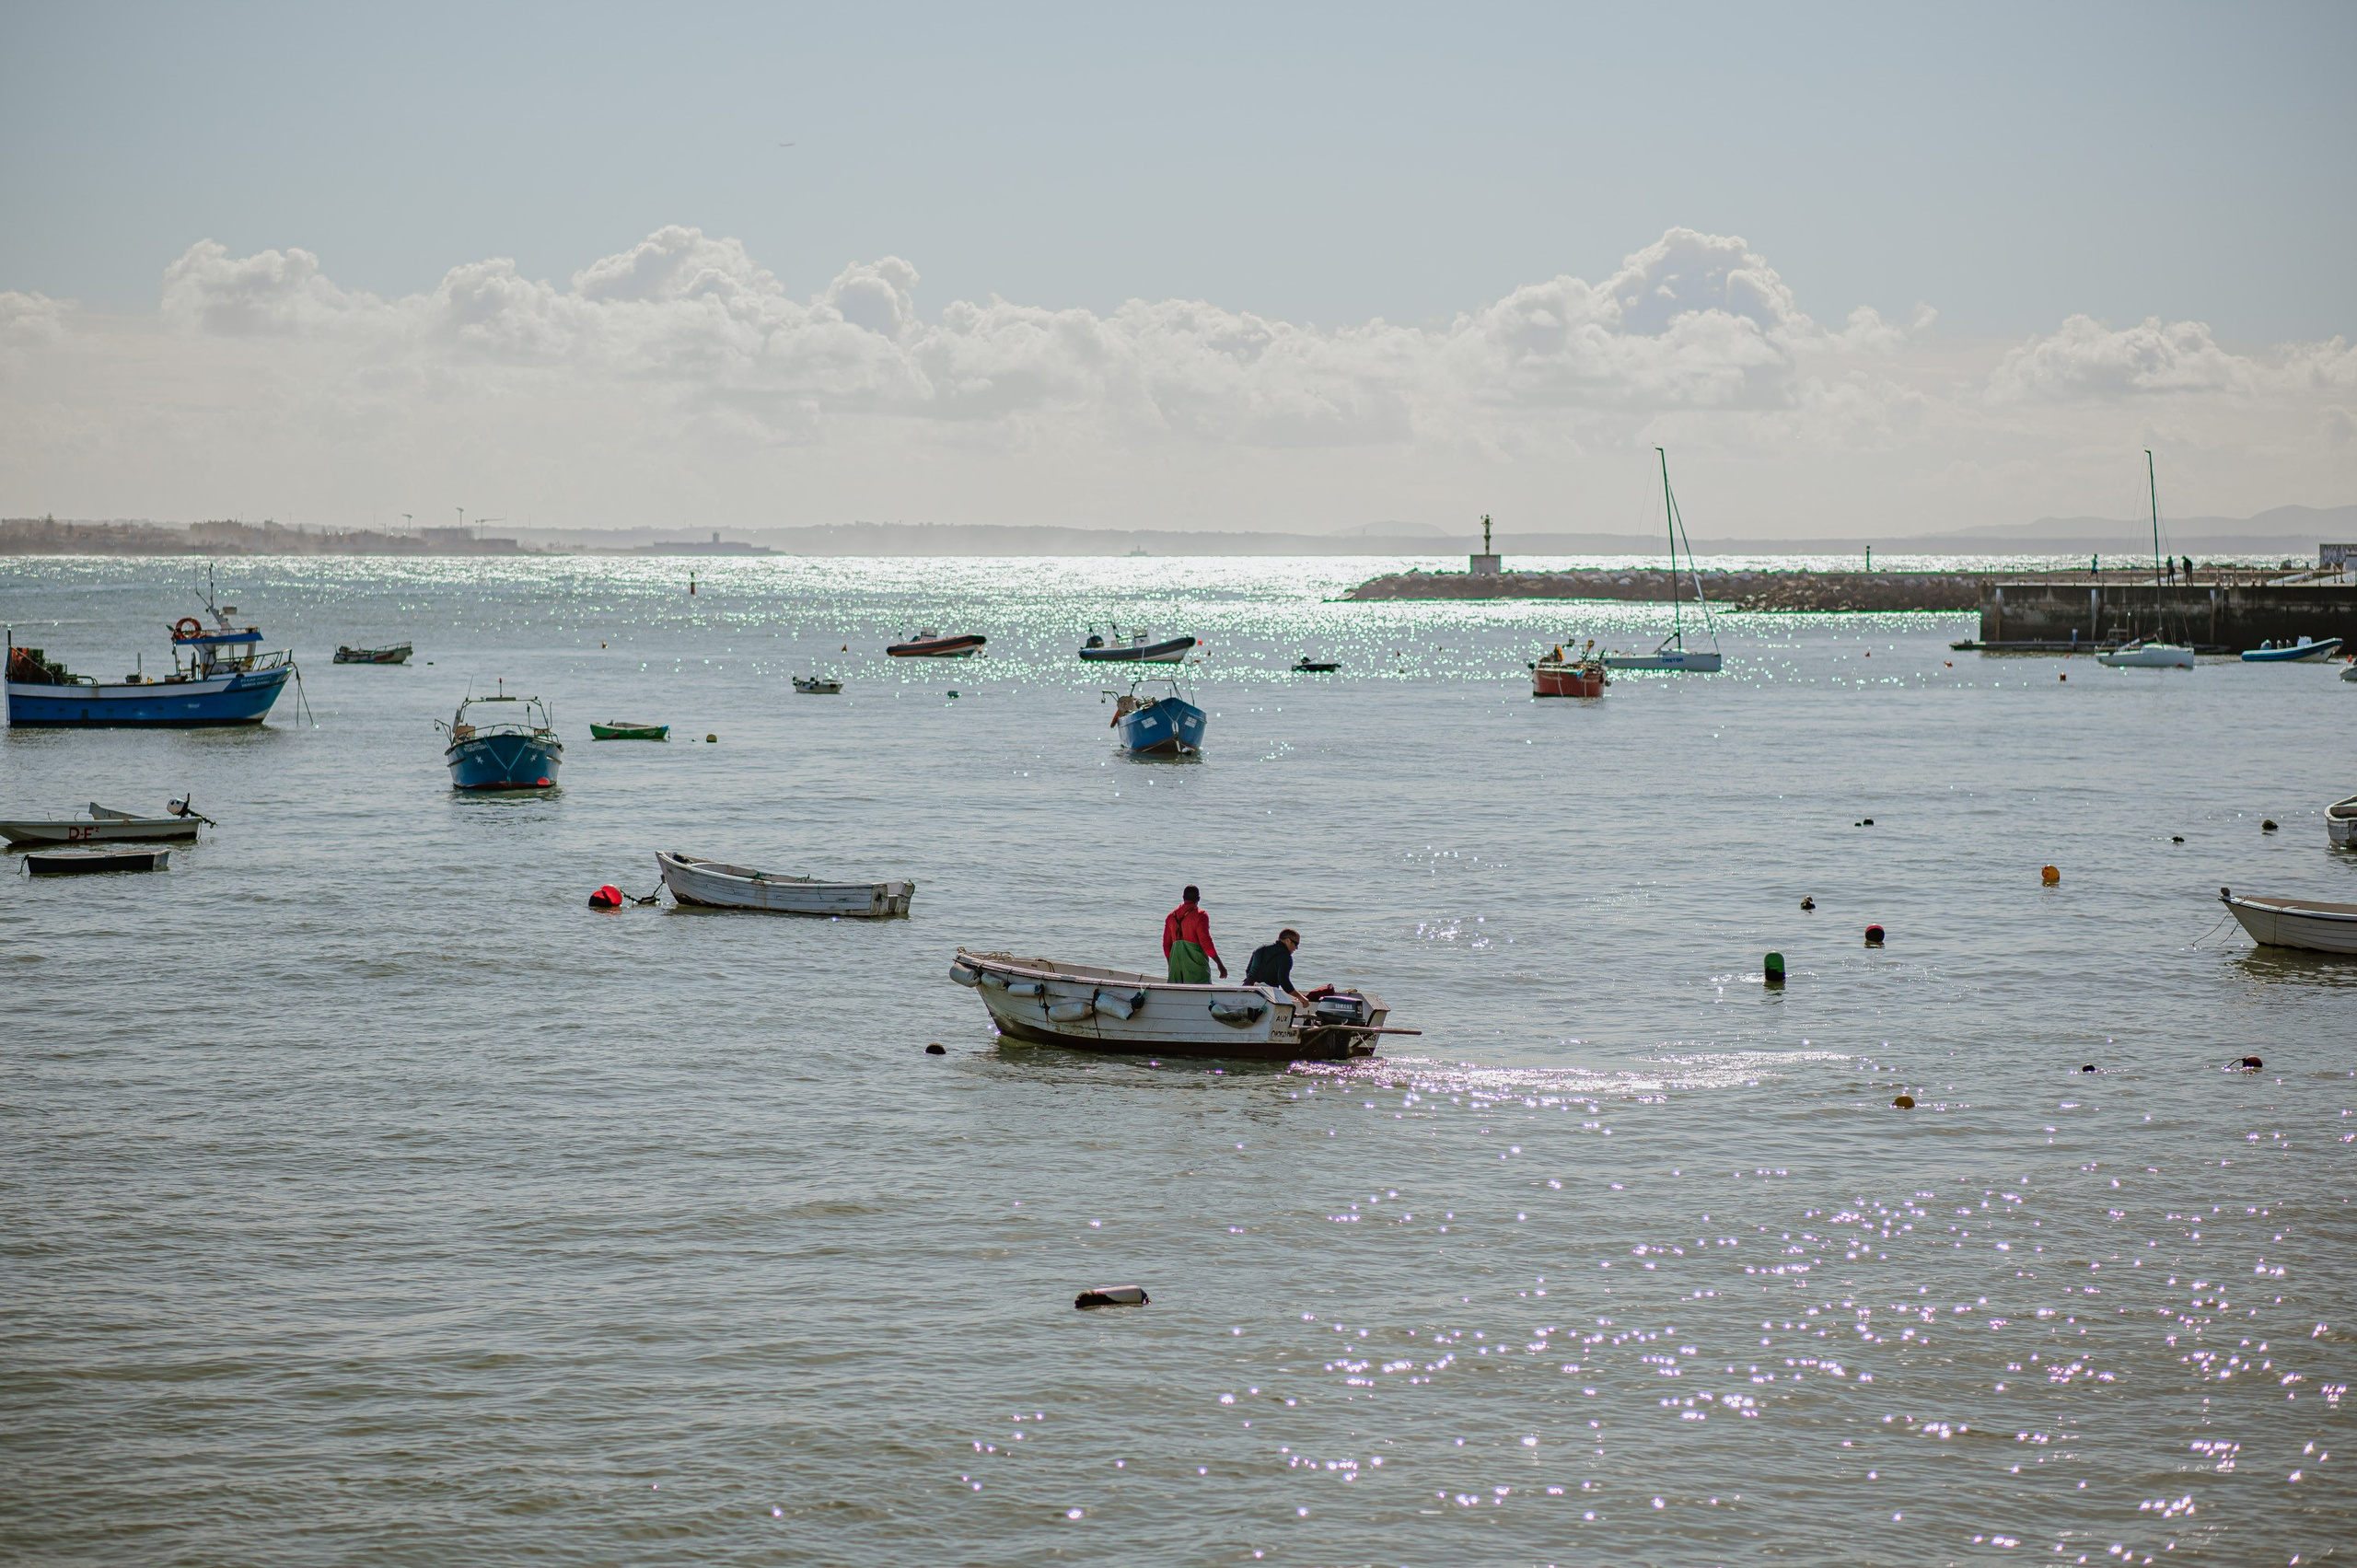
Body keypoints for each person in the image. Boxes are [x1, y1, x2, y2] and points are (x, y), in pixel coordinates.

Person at [1163, 885, 1225, 982]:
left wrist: (1171, 964)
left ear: (1183, 898)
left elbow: (1166, 945)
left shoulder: (1171, 916)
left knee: (1176, 992)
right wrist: (1219, 964)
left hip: (1175, 965)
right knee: (1201, 989)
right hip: (1195, 965)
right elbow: (1206, 943)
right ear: (1198, 899)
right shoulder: (1201, 915)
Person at [1244, 928, 1308, 1007]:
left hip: (1247, 992)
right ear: (1287, 941)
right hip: (1266, 998)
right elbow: (1284, 982)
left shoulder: (1260, 949)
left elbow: (1248, 971)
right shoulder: (1285, 957)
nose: (1296, 948)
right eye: (1296, 944)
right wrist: (1300, 997)